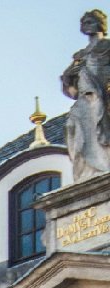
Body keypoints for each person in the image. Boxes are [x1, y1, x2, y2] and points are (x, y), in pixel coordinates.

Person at [63, 10, 110, 179]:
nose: (85, 26)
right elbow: (71, 90)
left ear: (100, 24)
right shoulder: (80, 55)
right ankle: (85, 171)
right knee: (71, 126)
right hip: (85, 96)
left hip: (101, 94)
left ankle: (103, 163)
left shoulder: (107, 45)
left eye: (90, 22)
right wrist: (69, 75)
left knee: (100, 122)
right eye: (84, 23)